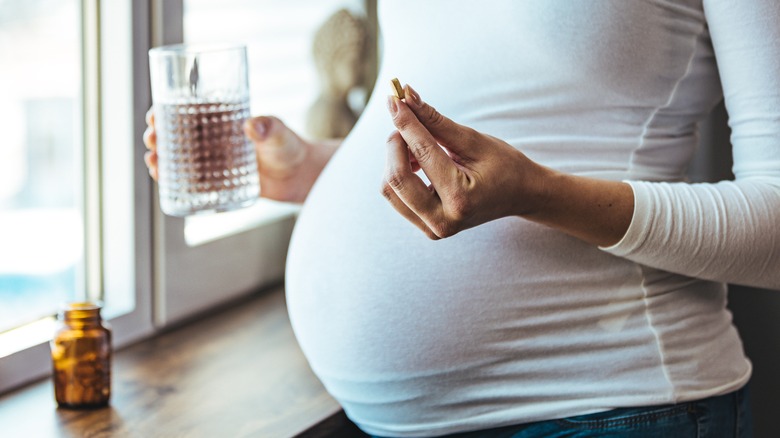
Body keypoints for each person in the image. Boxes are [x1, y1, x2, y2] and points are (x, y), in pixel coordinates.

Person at [145, 1, 779, 436]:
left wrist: (540, 193)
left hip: (605, 405)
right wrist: (314, 168)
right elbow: (491, 121)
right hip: (386, 421)